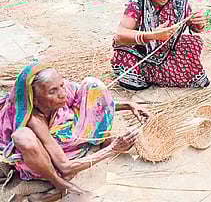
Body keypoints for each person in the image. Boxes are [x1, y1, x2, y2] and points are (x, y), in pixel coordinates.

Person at [0, 63, 152, 200]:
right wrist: (112, 149)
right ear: (35, 100)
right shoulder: (34, 120)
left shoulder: (63, 92)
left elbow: (89, 99)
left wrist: (129, 105)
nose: (62, 94)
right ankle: (60, 184)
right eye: (53, 91)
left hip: (66, 135)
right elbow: (65, 167)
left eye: (61, 85)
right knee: (23, 137)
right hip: (49, 156)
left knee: (93, 85)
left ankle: (98, 140)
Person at [111, 0, 210, 90]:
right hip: (141, 52)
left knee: (194, 43)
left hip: (165, 50)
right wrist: (152, 35)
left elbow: (193, 27)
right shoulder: (137, 3)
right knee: (122, 53)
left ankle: (158, 72)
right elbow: (119, 36)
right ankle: (150, 73)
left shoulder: (178, 0)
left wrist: (199, 23)